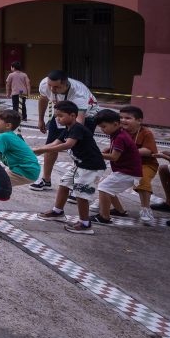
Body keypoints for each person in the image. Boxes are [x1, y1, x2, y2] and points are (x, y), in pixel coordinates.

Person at [35, 101, 106, 235]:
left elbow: (68, 145)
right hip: (79, 164)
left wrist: (41, 149)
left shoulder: (77, 128)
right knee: (64, 183)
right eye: (56, 116)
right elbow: (56, 142)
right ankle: (58, 211)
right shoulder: (67, 128)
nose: (57, 119)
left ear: (73, 115)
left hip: (91, 166)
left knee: (81, 193)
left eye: (60, 116)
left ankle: (85, 224)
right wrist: (40, 149)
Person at [29, 70, 97, 191]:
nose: (52, 89)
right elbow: (43, 99)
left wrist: (72, 137)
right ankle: (46, 179)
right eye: (50, 86)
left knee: (80, 151)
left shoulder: (79, 94)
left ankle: (80, 185)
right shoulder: (45, 84)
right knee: (50, 144)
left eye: (56, 87)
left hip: (87, 117)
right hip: (62, 114)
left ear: (66, 84)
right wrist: (40, 119)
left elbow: (78, 123)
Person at [92, 108, 142, 225]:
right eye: (101, 127)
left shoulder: (120, 137)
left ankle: (104, 217)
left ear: (115, 124)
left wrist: (98, 154)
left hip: (129, 172)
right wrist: (109, 149)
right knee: (109, 187)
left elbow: (114, 157)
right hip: (128, 171)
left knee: (104, 187)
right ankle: (120, 210)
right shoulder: (117, 133)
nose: (102, 130)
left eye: (104, 127)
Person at [120, 105, 157, 224]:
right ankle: (113, 206)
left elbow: (149, 151)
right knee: (107, 182)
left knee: (143, 179)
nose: (123, 120)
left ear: (139, 120)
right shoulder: (120, 132)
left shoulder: (146, 133)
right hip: (126, 164)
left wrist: (127, 151)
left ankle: (146, 208)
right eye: (121, 117)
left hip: (146, 164)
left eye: (128, 118)